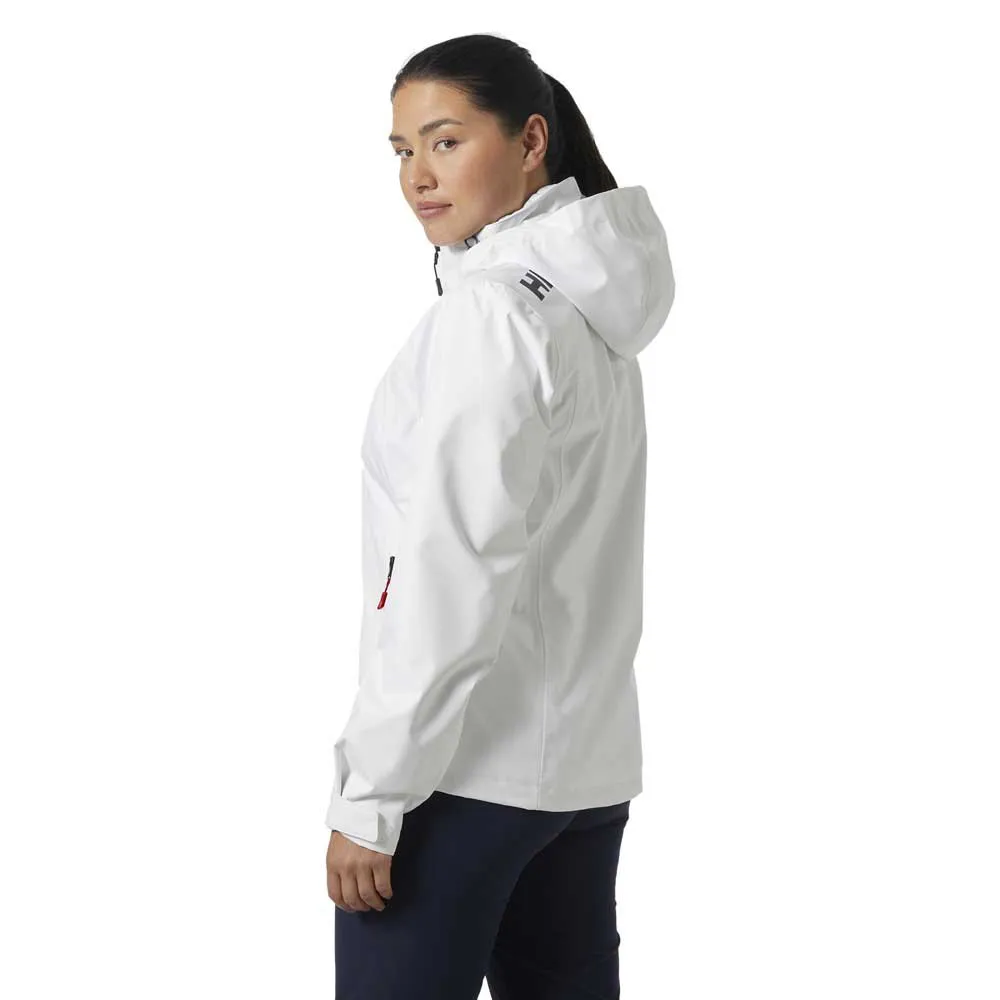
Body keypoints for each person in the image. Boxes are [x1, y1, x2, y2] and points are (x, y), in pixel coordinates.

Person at [324, 32, 675, 1000]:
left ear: (529, 141)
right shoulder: (587, 313)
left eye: (445, 141)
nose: (417, 177)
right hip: (582, 773)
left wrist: (372, 796)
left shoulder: (494, 315)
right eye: (402, 150)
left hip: (464, 778)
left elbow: (450, 569)